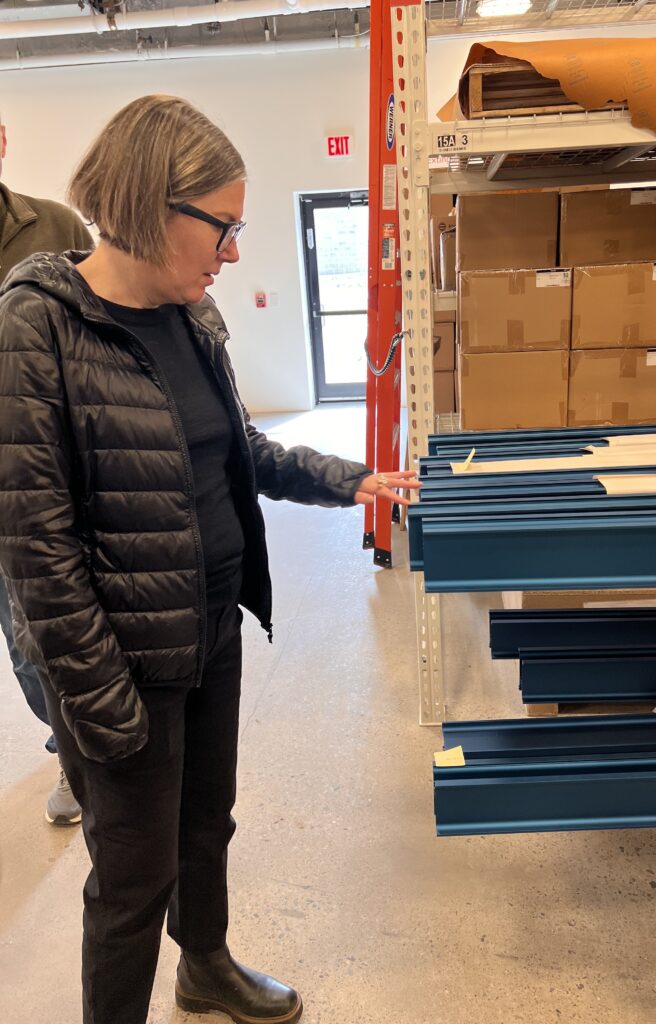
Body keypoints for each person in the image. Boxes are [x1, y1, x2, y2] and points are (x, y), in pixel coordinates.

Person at [0, 94, 419, 1024]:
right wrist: (100, 699)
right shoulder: (37, 327)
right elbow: (34, 548)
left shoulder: (194, 317)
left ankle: (206, 967)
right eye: (223, 227)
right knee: (132, 875)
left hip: (209, 629)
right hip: (121, 663)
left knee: (204, 826)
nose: (232, 252)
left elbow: (240, 449)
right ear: (154, 205)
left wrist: (348, 478)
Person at [0, 108, 93, 826]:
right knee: (21, 644)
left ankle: (80, 748)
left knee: (51, 628)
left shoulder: (56, 227)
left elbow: (107, 328)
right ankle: (67, 739)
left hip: (50, 473)